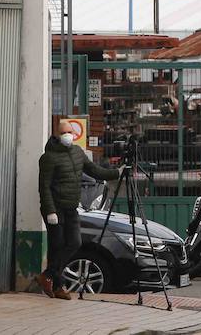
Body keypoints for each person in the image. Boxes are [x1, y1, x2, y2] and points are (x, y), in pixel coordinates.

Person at [37, 118, 119, 299]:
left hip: (71, 207)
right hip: (55, 208)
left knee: (74, 242)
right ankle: (57, 287)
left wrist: (116, 173)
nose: (68, 136)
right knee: (56, 246)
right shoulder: (48, 157)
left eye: (70, 132)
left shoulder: (77, 152)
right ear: (57, 135)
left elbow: (94, 170)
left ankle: (47, 276)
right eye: (64, 133)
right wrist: (50, 210)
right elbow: (44, 186)